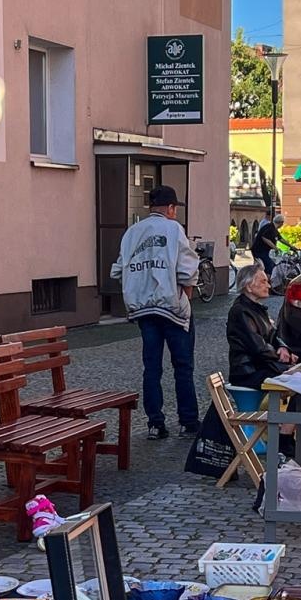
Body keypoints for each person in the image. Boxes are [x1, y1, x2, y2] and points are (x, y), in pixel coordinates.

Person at [112, 185, 200, 439]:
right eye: (175, 209)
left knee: (151, 367)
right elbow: (187, 270)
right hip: (172, 307)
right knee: (182, 366)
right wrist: (186, 295)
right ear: (171, 208)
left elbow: (119, 269)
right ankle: (188, 421)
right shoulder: (174, 229)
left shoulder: (132, 232)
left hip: (143, 309)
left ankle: (155, 423)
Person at [227, 263, 295, 388]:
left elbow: (273, 334)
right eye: (263, 281)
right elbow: (258, 347)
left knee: (299, 375)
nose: (268, 285)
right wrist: (282, 357)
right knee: (296, 380)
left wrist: (283, 347)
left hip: (260, 367)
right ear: (249, 286)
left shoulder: (257, 308)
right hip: (249, 372)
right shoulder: (241, 311)